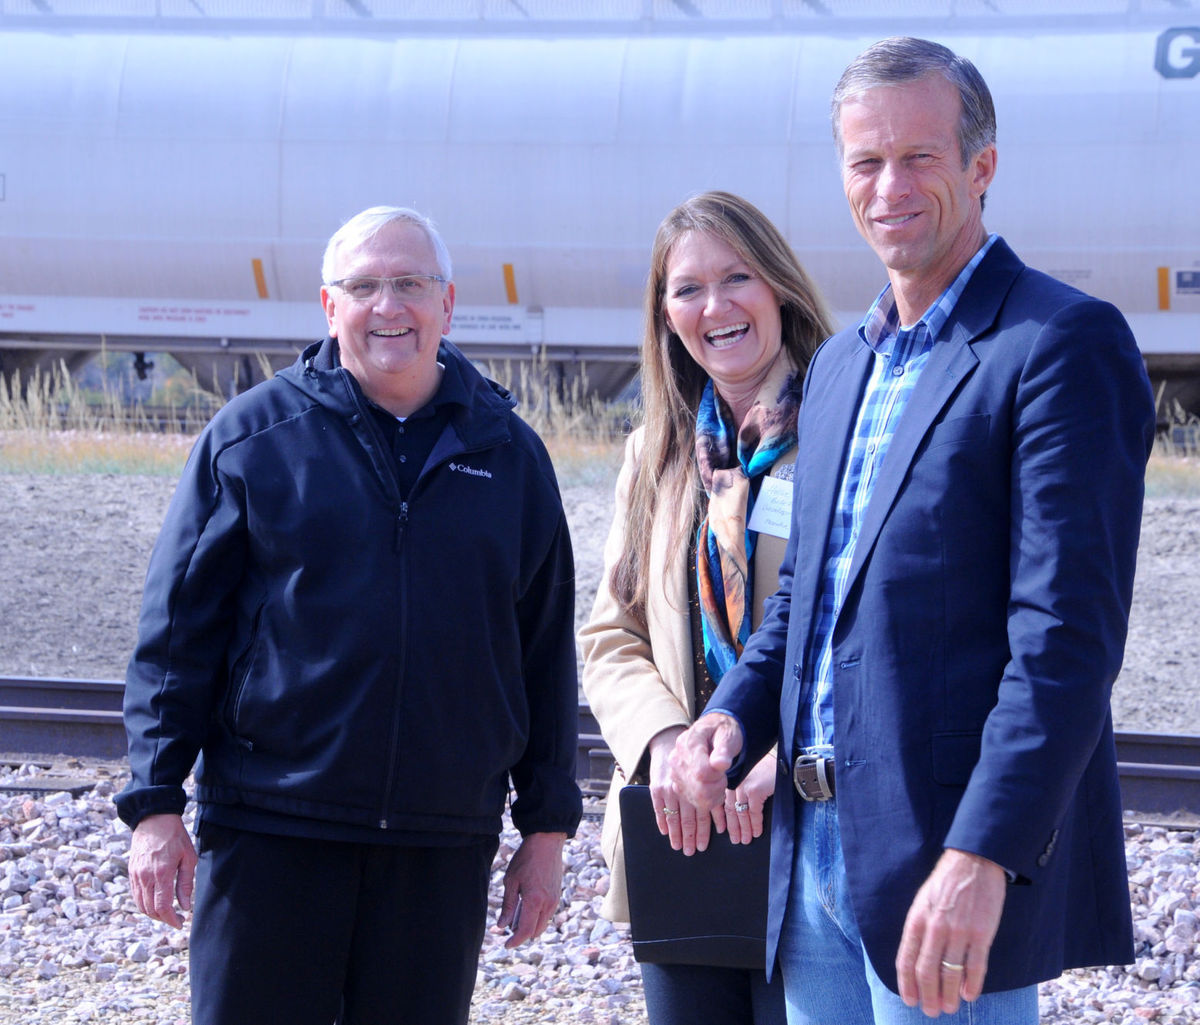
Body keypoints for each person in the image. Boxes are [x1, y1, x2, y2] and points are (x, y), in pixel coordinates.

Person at [670, 37, 1154, 1025]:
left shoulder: (1059, 345)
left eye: (919, 156)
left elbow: (1065, 642)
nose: (889, 185)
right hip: (815, 858)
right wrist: (732, 712)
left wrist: (984, 855)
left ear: (981, 166)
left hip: (944, 854)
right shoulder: (844, 363)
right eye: (865, 161)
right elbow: (808, 594)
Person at [116, 205, 582, 1025]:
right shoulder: (254, 439)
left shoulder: (509, 455)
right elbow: (176, 638)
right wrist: (155, 804)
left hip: (438, 845)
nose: (388, 306)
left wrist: (545, 830)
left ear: (448, 304)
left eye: (410, 283)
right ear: (329, 309)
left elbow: (543, 657)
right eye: (363, 286)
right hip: (272, 829)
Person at [579, 191, 834, 1025]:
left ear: (781, 290)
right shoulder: (657, 451)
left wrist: (783, 755)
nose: (715, 307)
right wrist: (670, 749)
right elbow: (612, 633)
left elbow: (862, 628)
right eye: (688, 289)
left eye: (737, 278)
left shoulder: (845, 424)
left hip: (810, 815)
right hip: (682, 824)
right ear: (666, 313)